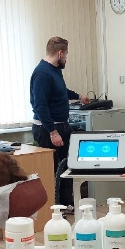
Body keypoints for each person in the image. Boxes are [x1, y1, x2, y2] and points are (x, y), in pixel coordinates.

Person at [30, 37, 90, 208]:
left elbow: (61, 91)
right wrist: (53, 132)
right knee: (53, 170)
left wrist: (79, 96)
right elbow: (40, 106)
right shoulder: (42, 74)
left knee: (66, 166)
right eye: (66, 54)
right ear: (60, 53)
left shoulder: (54, 70)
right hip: (47, 129)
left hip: (61, 126)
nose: (66, 58)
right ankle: (54, 207)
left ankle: (66, 203)